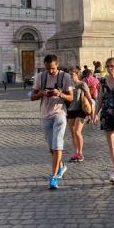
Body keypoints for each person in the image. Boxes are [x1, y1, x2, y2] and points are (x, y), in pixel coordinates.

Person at [31, 54, 73, 190]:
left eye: (53, 69)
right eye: (48, 69)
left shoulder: (65, 77)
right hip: (45, 114)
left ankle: (54, 177)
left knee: (57, 145)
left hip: (60, 113)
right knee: (51, 147)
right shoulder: (40, 77)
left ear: (57, 65)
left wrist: (60, 94)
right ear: (45, 66)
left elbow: (71, 97)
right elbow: (32, 96)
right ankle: (61, 166)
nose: (51, 71)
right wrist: (43, 93)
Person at [67, 68, 94, 163]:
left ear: (77, 74)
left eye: (72, 74)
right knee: (73, 133)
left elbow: (90, 98)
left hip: (80, 110)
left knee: (77, 132)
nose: (70, 76)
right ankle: (76, 153)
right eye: (69, 74)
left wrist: (92, 113)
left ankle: (81, 153)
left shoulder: (82, 84)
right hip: (70, 110)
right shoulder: (67, 85)